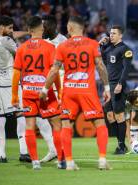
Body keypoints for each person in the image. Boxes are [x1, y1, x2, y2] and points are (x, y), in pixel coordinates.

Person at [40, 16, 111, 170]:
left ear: (71, 28)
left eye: (67, 26)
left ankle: (69, 162)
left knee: (66, 124)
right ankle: (102, 159)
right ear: (83, 28)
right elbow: (100, 65)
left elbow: (54, 70)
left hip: (69, 91)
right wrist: (107, 88)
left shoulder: (62, 46)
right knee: (99, 123)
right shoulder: (92, 44)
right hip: (88, 90)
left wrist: (45, 89)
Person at [12, 16, 63, 170]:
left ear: (28, 30)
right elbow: (53, 72)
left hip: (28, 92)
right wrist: (59, 91)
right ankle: (61, 160)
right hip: (45, 92)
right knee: (57, 124)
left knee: (29, 126)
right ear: (41, 29)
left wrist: (14, 95)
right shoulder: (49, 47)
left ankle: (35, 162)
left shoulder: (21, 48)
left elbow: (16, 74)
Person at [0, 15, 30, 163]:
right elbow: (22, 54)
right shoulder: (7, 40)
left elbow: (12, 35)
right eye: (9, 28)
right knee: (20, 116)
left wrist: (26, 32)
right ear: (1, 27)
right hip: (11, 84)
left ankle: (1, 155)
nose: (11, 31)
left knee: (0, 119)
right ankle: (23, 152)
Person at [36, 15, 67, 163]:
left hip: (60, 86)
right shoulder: (42, 41)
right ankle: (54, 150)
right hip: (47, 85)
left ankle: (63, 153)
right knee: (45, 119)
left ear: (53, 26)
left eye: (45, 27)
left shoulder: (63, 42)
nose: (42, 30)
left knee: (60, 121)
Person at [99, 25, 133, 154]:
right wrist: (101, 46)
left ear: (120, 35)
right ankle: (120, 142)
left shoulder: (125, 49)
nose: (111, 35)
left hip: (118, 86)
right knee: (109, 116)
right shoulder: (108, 49)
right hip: (109, 86)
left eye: (114, 33)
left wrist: (120, 84)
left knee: (119, 116)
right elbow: (102, 63)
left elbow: (126, 68)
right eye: (110, 33)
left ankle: (122, 146)